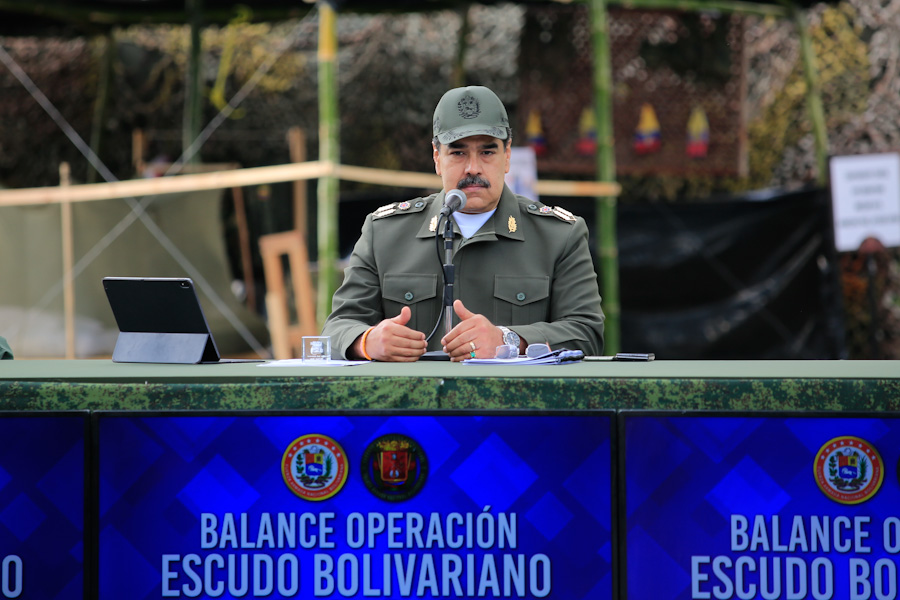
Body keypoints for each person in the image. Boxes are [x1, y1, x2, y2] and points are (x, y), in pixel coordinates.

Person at [322, 85, 604, 362]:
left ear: (507, 156)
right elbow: (336, 330)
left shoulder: (558, 236)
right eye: (458, 153)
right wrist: (368, 341)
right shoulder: (385, 233)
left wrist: (509, 340)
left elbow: (587, 333)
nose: (473, 167)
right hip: (414, 406)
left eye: (487, 152)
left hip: (513, 405)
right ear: (437, 158)